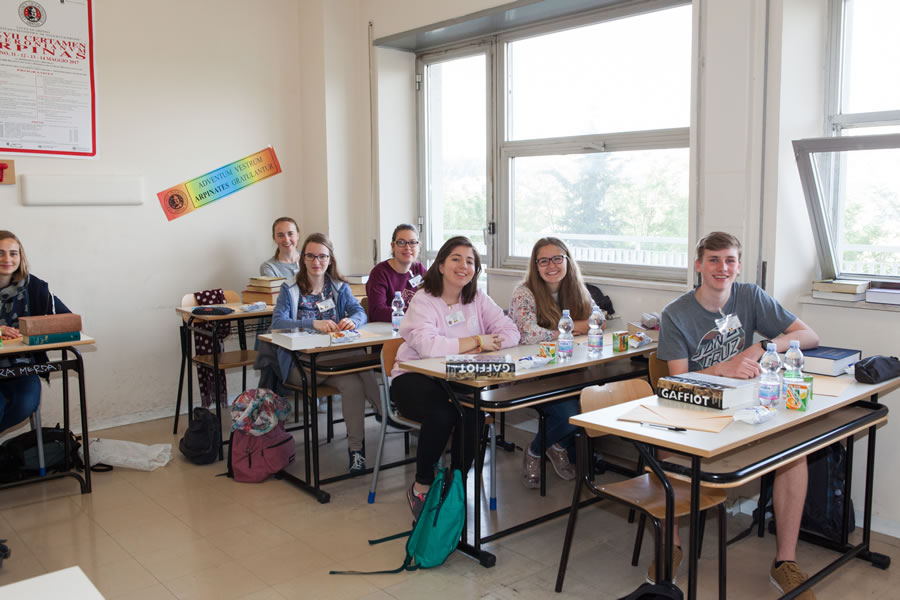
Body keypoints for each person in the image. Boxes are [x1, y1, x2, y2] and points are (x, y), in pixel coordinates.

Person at [657, 231, 819, 598]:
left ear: (739, 266)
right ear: (698, 266)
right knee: (666, 449)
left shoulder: (750, 296)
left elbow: (808, 336)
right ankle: (672, 546)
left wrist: (763, 346)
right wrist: (723, 368)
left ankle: (785, 562)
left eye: (729, 260)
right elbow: (676, 380)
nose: (722, 268)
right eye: (713, 260)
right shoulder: (676, 313)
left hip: (745, 406)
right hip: (695, 409)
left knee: (795, 455)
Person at [391, 236, 520, 519]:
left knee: (473, 411)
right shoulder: (424, 299)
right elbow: (429, 348)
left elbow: (511, 332)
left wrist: (475, 346)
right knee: (443, 413)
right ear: (440, 265)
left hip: (458, 376)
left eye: (470, 261)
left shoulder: (477, 298)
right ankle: (422, 485)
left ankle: (456, 484)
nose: (464, 266)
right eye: (456, 259)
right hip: (414, 376)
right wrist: (477, 341)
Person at [271, 233, 381, 475]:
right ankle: (385, 410)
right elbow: (277, 323)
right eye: (310, 256)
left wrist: (353, 321)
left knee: (353, 384)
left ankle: (356, 452)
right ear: (303, 259)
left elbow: (360, 312)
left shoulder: (339, 287)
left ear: (330, 259)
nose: (316, 261)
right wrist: (312, 324)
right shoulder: (290, 288)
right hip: (301, 365)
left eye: (322, 256)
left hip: (333, 363)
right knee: (358, 357)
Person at [509, 237, 603, 488]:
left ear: (567, 260)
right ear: (536, 265)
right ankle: (536, 450)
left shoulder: (577, 289)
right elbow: (528, 334)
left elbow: (599, 319)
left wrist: (567, 329)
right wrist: (574, 328)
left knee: (595, 402)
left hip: (572, 368)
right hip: (536, 373)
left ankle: (558, 445)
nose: (551, 265)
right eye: (544, 261)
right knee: (569, 414)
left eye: (557, 259)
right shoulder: (524, 292)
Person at [0, 231, 72, 433]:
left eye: (13, 253)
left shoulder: (34, 287)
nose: (7, 259)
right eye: (0, 253)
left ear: (20, 257)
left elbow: (66, 319)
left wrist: (32, 329)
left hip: (22, 367)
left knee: (25, 403)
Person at [365, 224, 426, 322]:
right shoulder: (380, 273)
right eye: (401, 242)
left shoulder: (419, 269)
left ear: (418, 246)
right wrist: (416, 313)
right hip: (389, 328)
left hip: (416, 325)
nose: (407, 247)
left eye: (412, 242)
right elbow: (377, 312)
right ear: (393, 246)